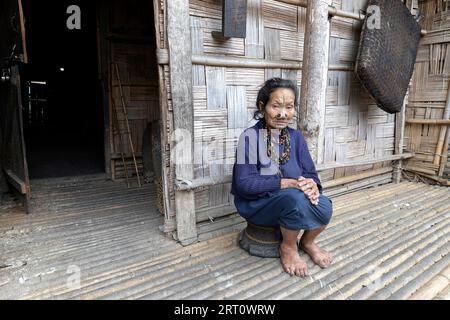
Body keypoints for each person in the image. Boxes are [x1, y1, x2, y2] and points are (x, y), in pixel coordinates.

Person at [231, 78, 333, 277]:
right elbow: (243, 184)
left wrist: (312, 185)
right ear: (263, 106)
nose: (282, 114)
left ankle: (307, 242)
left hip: (290, 200)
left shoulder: (296, 138)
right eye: (276, 106)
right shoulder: (250, 137)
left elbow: (311, 173)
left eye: (289, 107)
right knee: (293, 198)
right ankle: (288, 247)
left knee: (325, 205)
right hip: (256, 203)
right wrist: (286, 183)